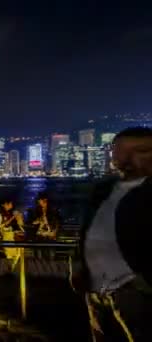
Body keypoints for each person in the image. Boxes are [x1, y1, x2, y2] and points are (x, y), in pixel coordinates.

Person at [71, 126, 152, 341]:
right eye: (121, 152)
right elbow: (86, 230)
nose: (127, 159)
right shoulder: (104, 189)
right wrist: (78, 266)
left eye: (139, 151)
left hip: (134, 289)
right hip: (96, 287)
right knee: (100, 335)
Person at [0, 199, 24, 264]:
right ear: (4, 205)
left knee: (17, 255)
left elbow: (21, 224)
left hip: (15, 237)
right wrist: (12, 218)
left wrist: (19, 217)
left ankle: (16, 266)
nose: (11, 205)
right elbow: (0, 226)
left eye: (11, 204)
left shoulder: (13, 212)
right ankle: (10, 266)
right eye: (9, 204)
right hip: (7, 236)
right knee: (9, 255)